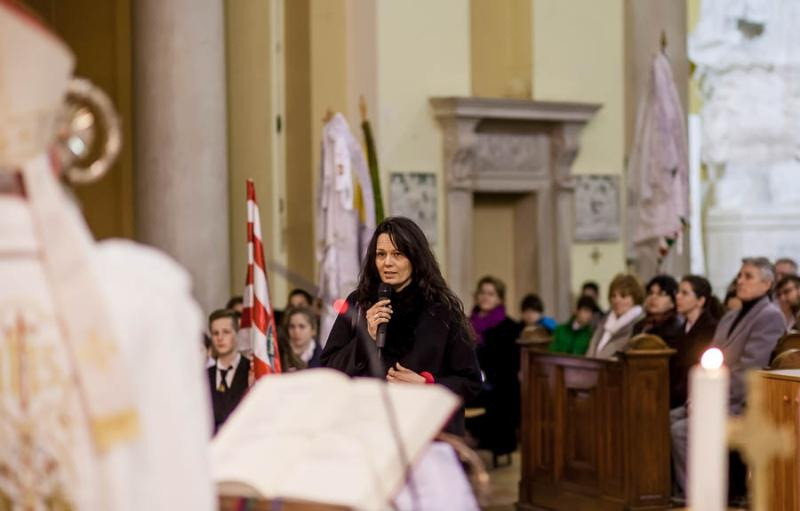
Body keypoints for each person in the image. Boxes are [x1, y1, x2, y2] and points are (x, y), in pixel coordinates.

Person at [321, 217, 481, 436]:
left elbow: (470, 383)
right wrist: (366, 338)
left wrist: (428, 383)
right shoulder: (358, 303)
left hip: (423, 432)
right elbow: (329, 372)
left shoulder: (443, 310)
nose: (387, 262)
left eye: (397, 254)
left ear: (415, 258)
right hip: (368, 430)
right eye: (381, 254)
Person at [671, 257, 785, 498]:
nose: (740, 281)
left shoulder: (770, 316)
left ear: (767, 284)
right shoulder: (730, 316)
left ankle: (700, 497)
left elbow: (748, 373)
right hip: (713, 393)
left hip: (740, 404)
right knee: (665, 419)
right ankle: (674, 489)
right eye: (740, 275)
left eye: (748, 276)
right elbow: (708, 361)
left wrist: (708, 401)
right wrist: (696, 397)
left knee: (681, 431)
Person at [467, 276, 523, 458]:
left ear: (500, 298)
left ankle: (475, 441)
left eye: (491, 294)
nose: (485, 297)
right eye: (482, 292)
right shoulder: (466, 324)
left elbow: (509, 366)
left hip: (498, 387)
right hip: (472, 381)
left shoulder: (510, 327)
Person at [671, 275, 723, 409]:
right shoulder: (680, 329)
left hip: (697, 395)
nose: (678, 297)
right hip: (679, 396)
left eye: (685, 293)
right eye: (678, 292)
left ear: (700, 301)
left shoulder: (711, 329)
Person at [207, 309, 251, 433]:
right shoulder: (204, 376)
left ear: (237, 334)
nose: (220, 338)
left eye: (226, 332)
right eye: (215, 333)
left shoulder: (250, 371)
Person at [585, 274, 645, 358]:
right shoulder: (604, 320)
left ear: (635, 298)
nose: (617, 300)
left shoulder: (639, 324)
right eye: (613, 296)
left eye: (623, 296)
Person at [632, 275, 684, 347]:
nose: (653, 297)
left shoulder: (675, 328)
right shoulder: (639, 325)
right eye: (650, 293)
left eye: (661, 294)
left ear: (673, 302)